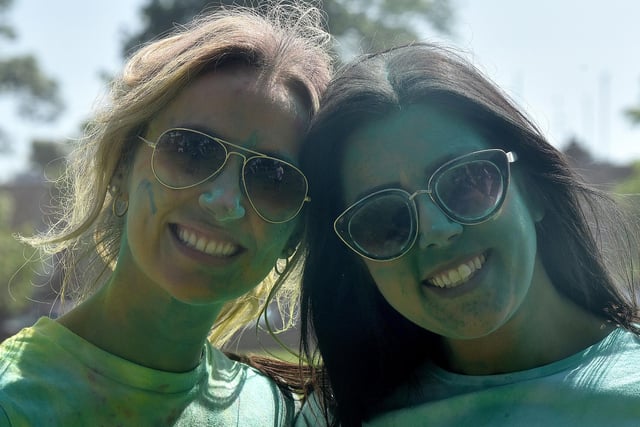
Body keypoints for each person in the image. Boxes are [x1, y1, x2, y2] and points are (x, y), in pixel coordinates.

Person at [0, 2, 332, 425]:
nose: (223, 200)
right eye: (192, 149)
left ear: (295, 234)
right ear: (122, 166)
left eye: (273, 178)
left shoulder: (279, 412)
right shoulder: (13, 401)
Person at [295, 42, 640, 426]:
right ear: (358, 261)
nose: (437, 232)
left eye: (466, 182)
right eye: (384, 219)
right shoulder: (334, 418)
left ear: (534, 190)